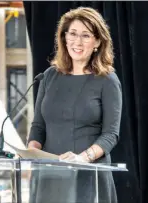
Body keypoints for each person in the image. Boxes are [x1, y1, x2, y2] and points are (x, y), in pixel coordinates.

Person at [27, 6, 122, 203]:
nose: (77, 42)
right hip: (49, 175)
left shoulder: (107, 80)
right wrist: (31, 153)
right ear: (64, 38)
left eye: (86, 35)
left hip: (88, 175)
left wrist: (83, 159)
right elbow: (38, 127)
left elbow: (111, 135)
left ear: (97, 41)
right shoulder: (48, 76)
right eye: (73, 34)